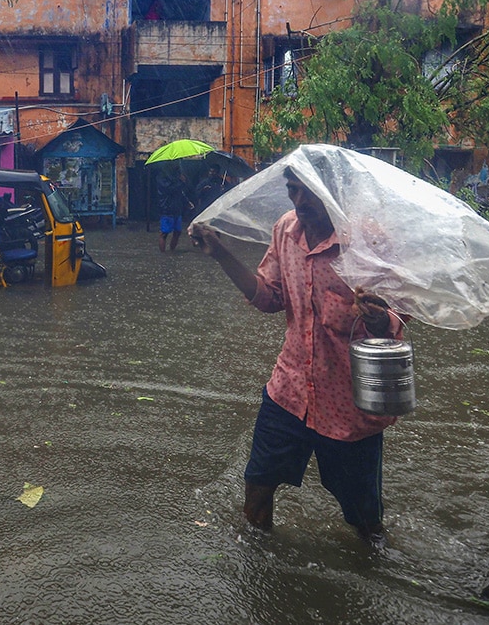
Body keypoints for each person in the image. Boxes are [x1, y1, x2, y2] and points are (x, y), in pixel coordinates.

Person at [189, 167, 402, 547]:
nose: (299, 201)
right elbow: (269, 297)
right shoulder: (286, 231)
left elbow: (401, 313)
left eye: (309, 192)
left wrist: (379, 318)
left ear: (333, 192)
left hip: (349, 405)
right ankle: (257, 564)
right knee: (257, 486)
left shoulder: (367, 241)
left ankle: (373, 562)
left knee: (365, 519)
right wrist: (220, 253)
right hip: (289, 391)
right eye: (292, 190)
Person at [156, 167, 191, 252]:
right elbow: (170, 189)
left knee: (178, 232)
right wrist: (181, 182)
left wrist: (187, 202)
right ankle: (163, 254)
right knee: (164, 233)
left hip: (177, 209)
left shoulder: (177, 176)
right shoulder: (161, 177)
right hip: (166, 209)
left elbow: (180, 192)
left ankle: (172, 251)